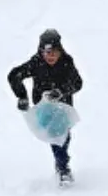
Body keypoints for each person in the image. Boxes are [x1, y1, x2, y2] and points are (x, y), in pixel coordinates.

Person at [9, 29, 84, 184]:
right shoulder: (36, 63)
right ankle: (63, 168)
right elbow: (14, 75)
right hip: (44, 108)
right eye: (47, 52)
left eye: (54, 52)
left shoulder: (66, 62)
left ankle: (61, 162)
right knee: (56, 136)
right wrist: (22, 96)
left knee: (64, 137)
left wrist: (61, 91)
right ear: (41, 51)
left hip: (63, 107)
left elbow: (78, 83)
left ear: (60, 50)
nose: (50, 56)